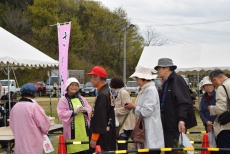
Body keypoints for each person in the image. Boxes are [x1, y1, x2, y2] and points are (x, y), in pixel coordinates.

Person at [154, 58, 197, 151]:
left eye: (159, 68)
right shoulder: (167, 82)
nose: (158, 71)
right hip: (167, 123)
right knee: (169, 149)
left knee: (175, 149)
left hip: (174, 124)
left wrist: (182, 120)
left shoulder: (177, 80)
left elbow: (184, 102)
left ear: (167, 68)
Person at [125, 65, 164, 154]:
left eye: (137, 79)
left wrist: (134, 106)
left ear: (143, 78)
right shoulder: (145, 89)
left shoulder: (150, 90)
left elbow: (147, 111)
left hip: (150, 135)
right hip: (145, 133)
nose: (137, 81)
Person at [10, 83, 51, 154]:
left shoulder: (15, 107)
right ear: (34, 94)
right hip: (32, 144)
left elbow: (12, 125)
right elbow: (45, 125)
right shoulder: (34, 107)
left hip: (20, 144)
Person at [57, 77, 92, 154]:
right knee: (73, 150)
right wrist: (74, 112)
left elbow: (90, 109)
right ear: (67, 87)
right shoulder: (63, 100)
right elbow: (61, 114)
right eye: (72, 85)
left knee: (85, 149)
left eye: (76, 85)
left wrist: (85, 110)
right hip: (71, 131)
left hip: (84, 131)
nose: (74, 87)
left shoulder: (82, 98)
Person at [87, 66, 116, 152]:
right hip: (108, 132)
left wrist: (94, 138)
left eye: (92, 77)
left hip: (102, 136)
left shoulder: (102, 94)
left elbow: (100, 118)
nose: (91, 80)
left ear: (98, 78)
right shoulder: (107, 91)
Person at [110, 76, 135, 150]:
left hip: (125, 126)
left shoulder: (123, 93)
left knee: (122, 149)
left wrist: (113, 111)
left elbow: (128, 108)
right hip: (119, 125)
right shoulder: (116, 94)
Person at [208, 69, 230, 153]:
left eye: (213, 83)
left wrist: (211, 108)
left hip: (226, 127)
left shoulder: (222, 87)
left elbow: (221, 108)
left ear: (214, 79)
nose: (214, 86)